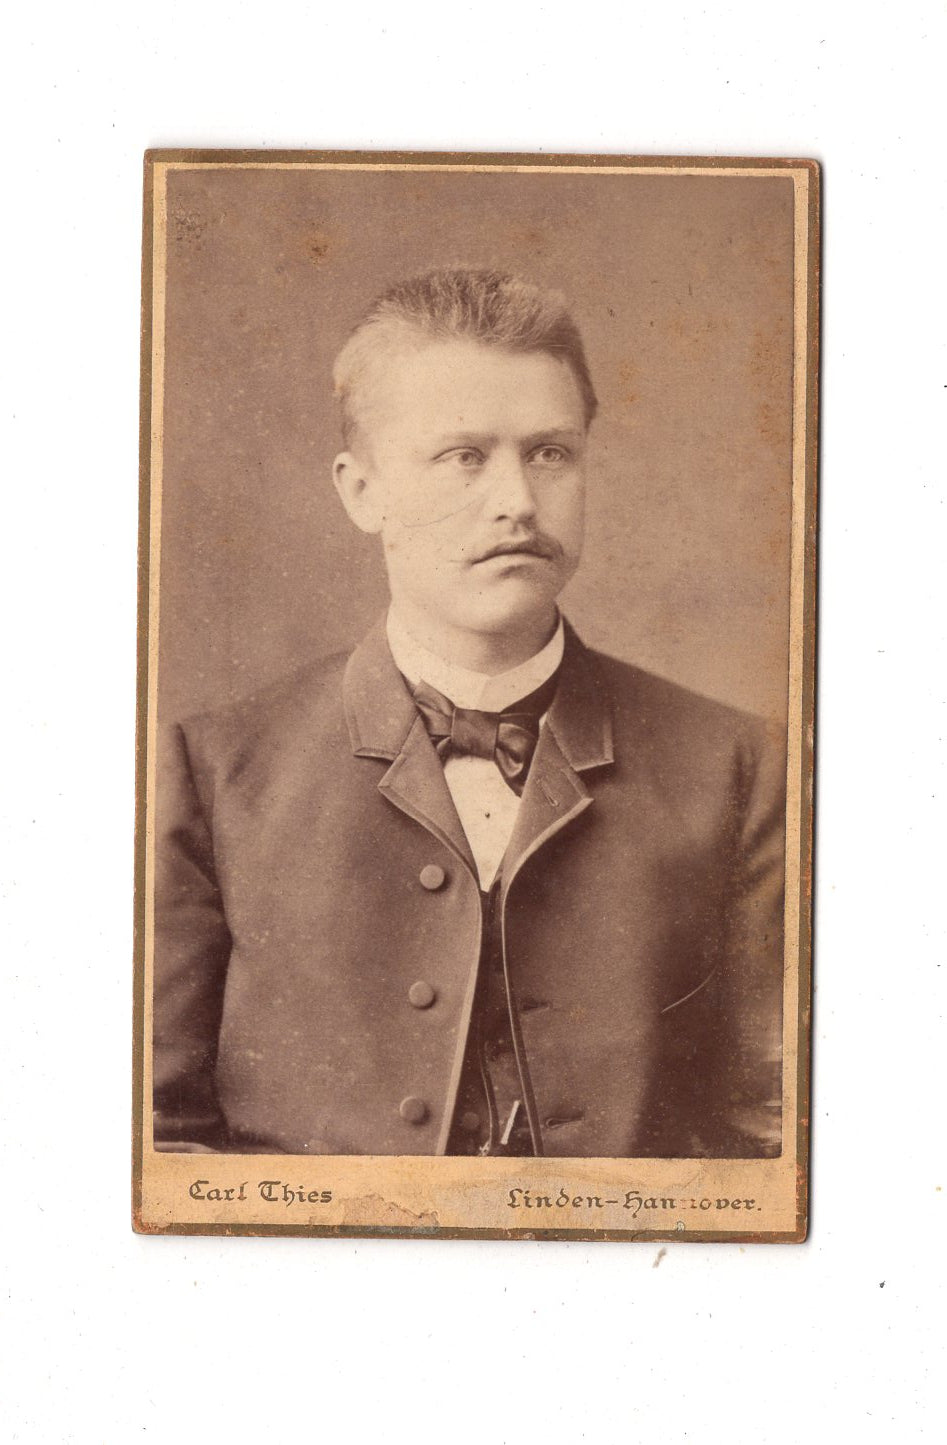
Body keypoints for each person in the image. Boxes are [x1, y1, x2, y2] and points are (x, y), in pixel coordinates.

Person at [153, 267, 785, 1159]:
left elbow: (775, 1143)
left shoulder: (738, 767)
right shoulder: (215, 772)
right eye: (462, 457)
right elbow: (157, 1144)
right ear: (362, 492)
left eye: (550, 453)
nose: (518, 501)